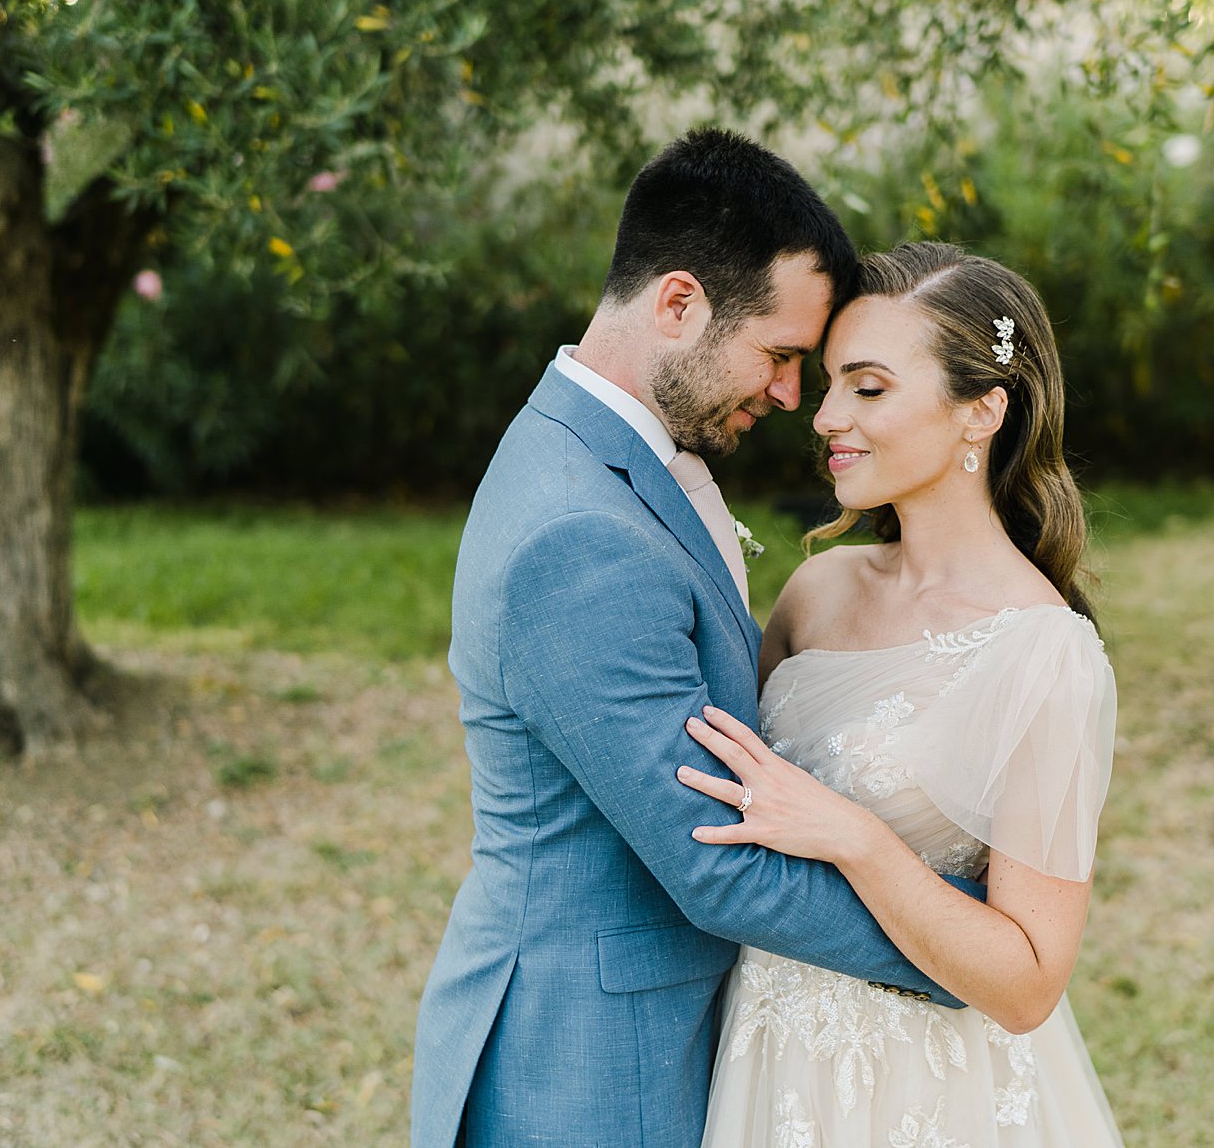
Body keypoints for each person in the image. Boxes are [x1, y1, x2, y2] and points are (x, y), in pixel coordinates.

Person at [409, 131, 985, 1148]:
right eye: (778, 355)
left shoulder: (598, 451)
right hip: (588, 1070)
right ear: (677, 304)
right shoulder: (578, 533)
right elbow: (710, 860)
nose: (785, 396)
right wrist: (959, 942)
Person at [680, 240, 1124, 1145]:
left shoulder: (1044, 654)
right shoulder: (817, 591)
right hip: (766, 1054)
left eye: (869, 388)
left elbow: (1030, 979)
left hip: (920, 1089)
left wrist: (855, 838)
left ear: (981, 411)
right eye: (831, 380)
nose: (826, 415)